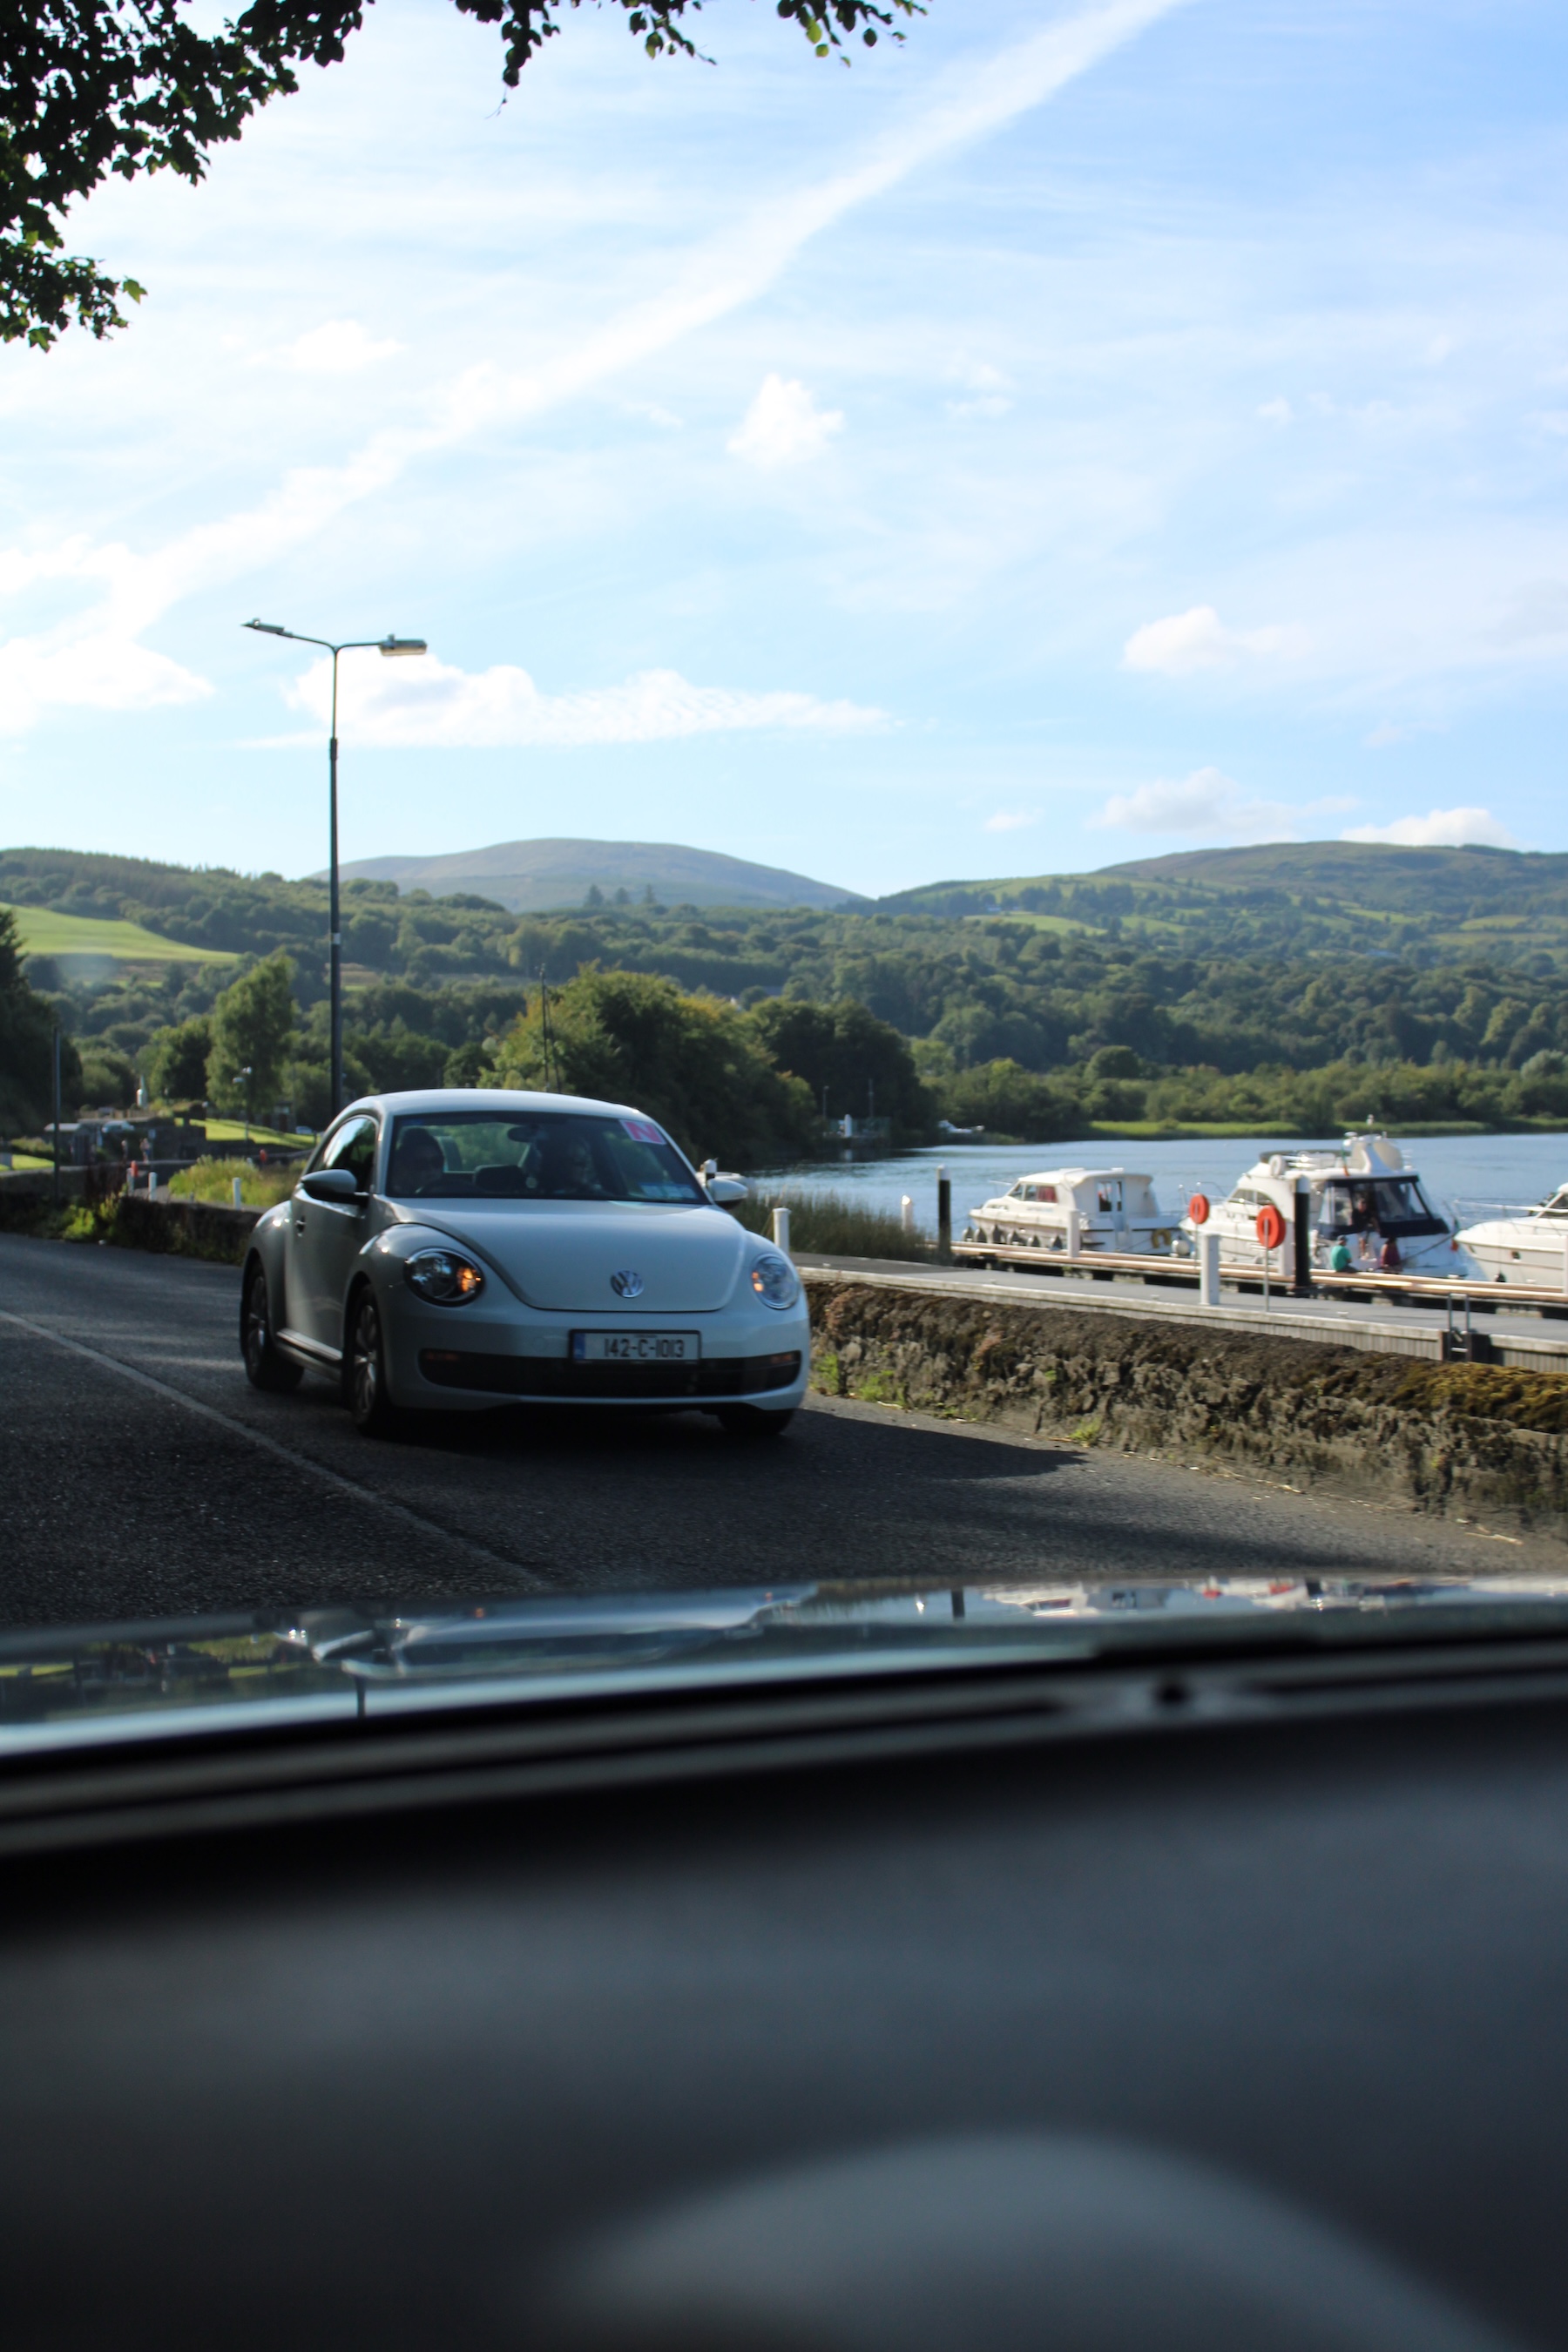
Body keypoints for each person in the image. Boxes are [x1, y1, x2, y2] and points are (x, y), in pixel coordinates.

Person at [389, 1125, 446, 1194]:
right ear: (406, 1167)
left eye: (436, 1162)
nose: (431, 1169)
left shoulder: (457, 1190)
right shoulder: (395, 1196)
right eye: (422, 1164)